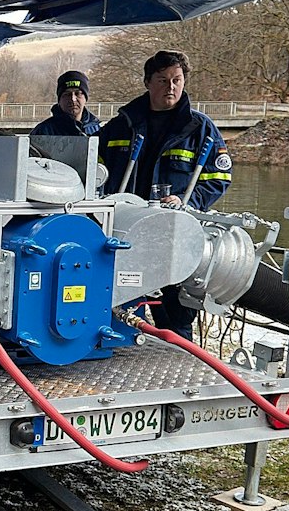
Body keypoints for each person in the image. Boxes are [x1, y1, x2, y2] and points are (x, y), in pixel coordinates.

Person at [95, 50, 232, 339]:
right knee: (115, 310)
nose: (171, 87)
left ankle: (179, 358)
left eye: (177, 80)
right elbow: (92, 170)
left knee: (175, 321)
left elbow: (219, 178)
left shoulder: (201, 130)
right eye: (162, 80)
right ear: (147, 82)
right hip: (123, 235)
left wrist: (187, 200)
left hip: (174, 238)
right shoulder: (120, 125)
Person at [32, 70, 100, 136]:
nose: (73, 99)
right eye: (67, 94)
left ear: (85, 98)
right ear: (59, 100)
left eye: (78, 93)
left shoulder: (96, 129)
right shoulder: (43, 132)